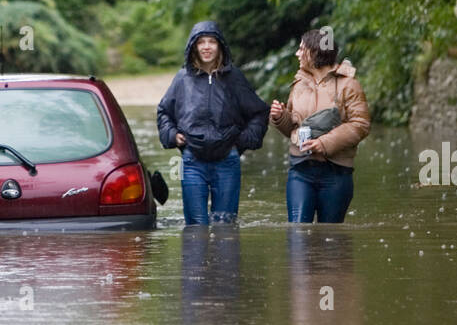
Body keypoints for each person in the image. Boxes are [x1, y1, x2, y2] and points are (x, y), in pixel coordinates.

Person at [157, 21, 269, 225]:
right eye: (201, 42)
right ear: (194, 46)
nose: (206, 47)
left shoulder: (234, 78)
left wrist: (243, 140)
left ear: (220, 47)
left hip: (228, 160)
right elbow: (164, 112)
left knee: (225, 227)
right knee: (195, 229)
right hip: (192, 161)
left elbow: (259, 112)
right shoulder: (182, 79)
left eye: (211, 42)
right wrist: (172, 135)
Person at [269, 29, 370, 223]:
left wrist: (323, 143)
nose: (297, 54)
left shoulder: (349, 85)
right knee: (298, 233)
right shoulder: (299, 83)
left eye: (301, 49)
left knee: (331, 239)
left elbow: (361, 124)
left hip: (336, 174)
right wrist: (280, 117)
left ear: (315, 52)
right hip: (300, 170)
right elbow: (294, 128)